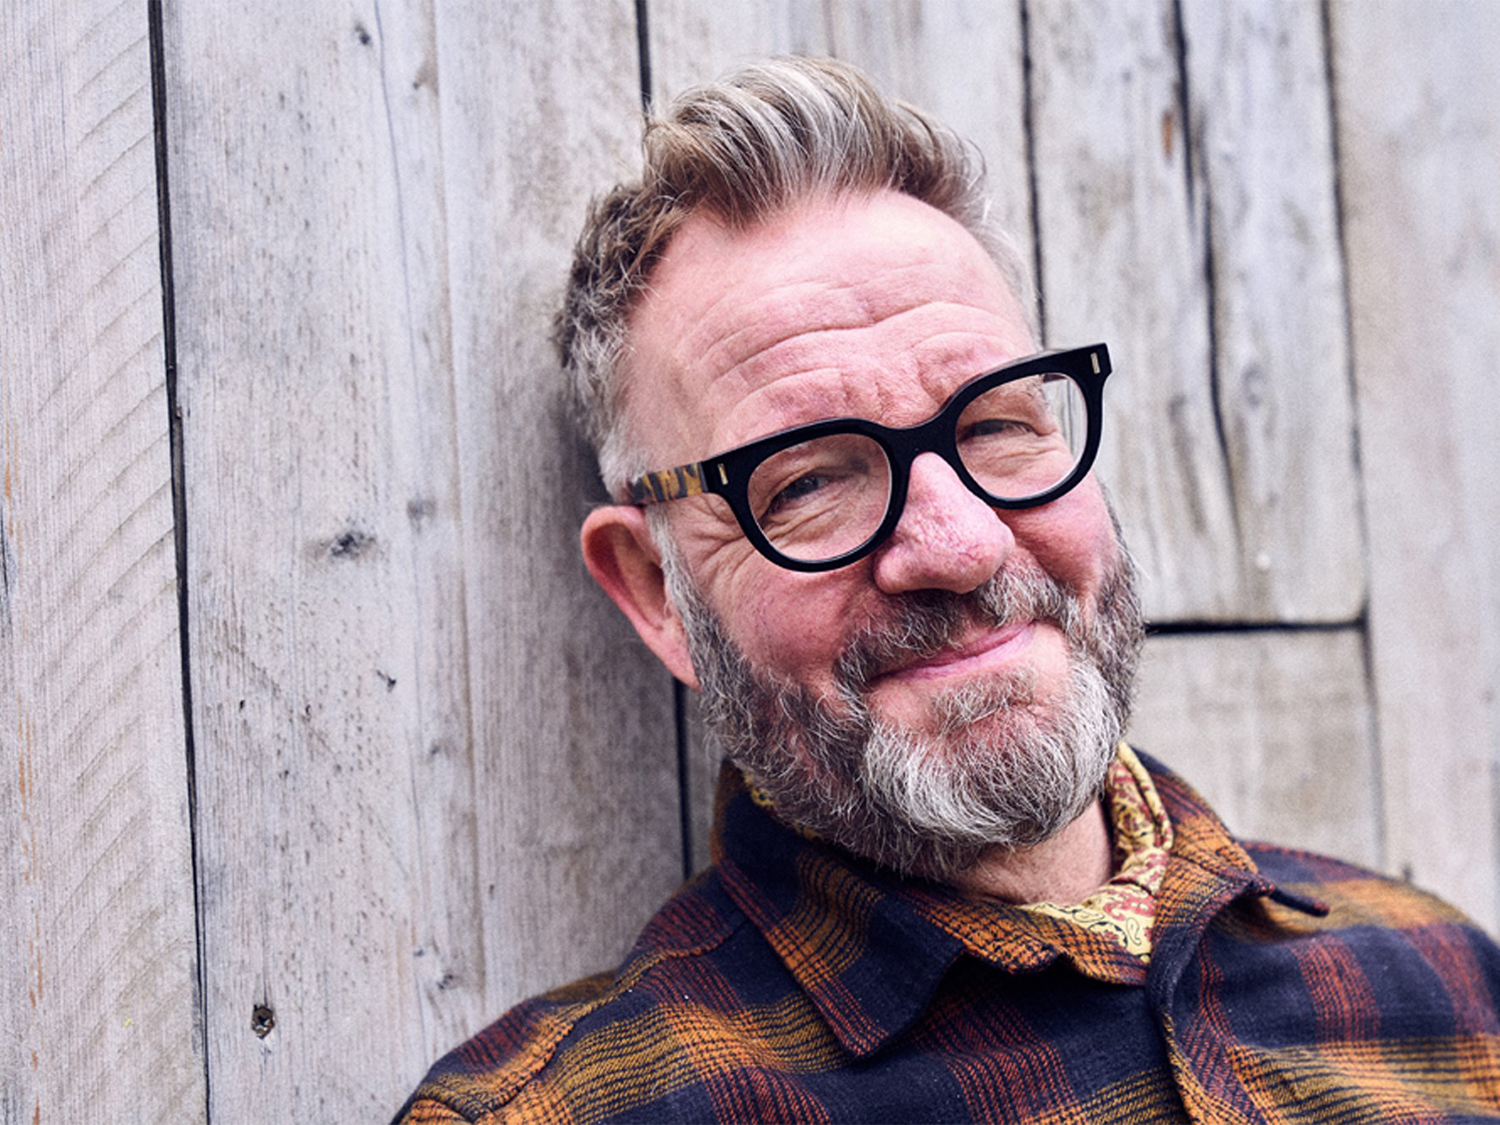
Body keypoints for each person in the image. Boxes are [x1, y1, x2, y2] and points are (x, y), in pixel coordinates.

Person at [396, 57, 1500, 1123]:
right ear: (655, 590)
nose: (961, 545)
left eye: (998, 426)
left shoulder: (1448, 985)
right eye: (813, 481)